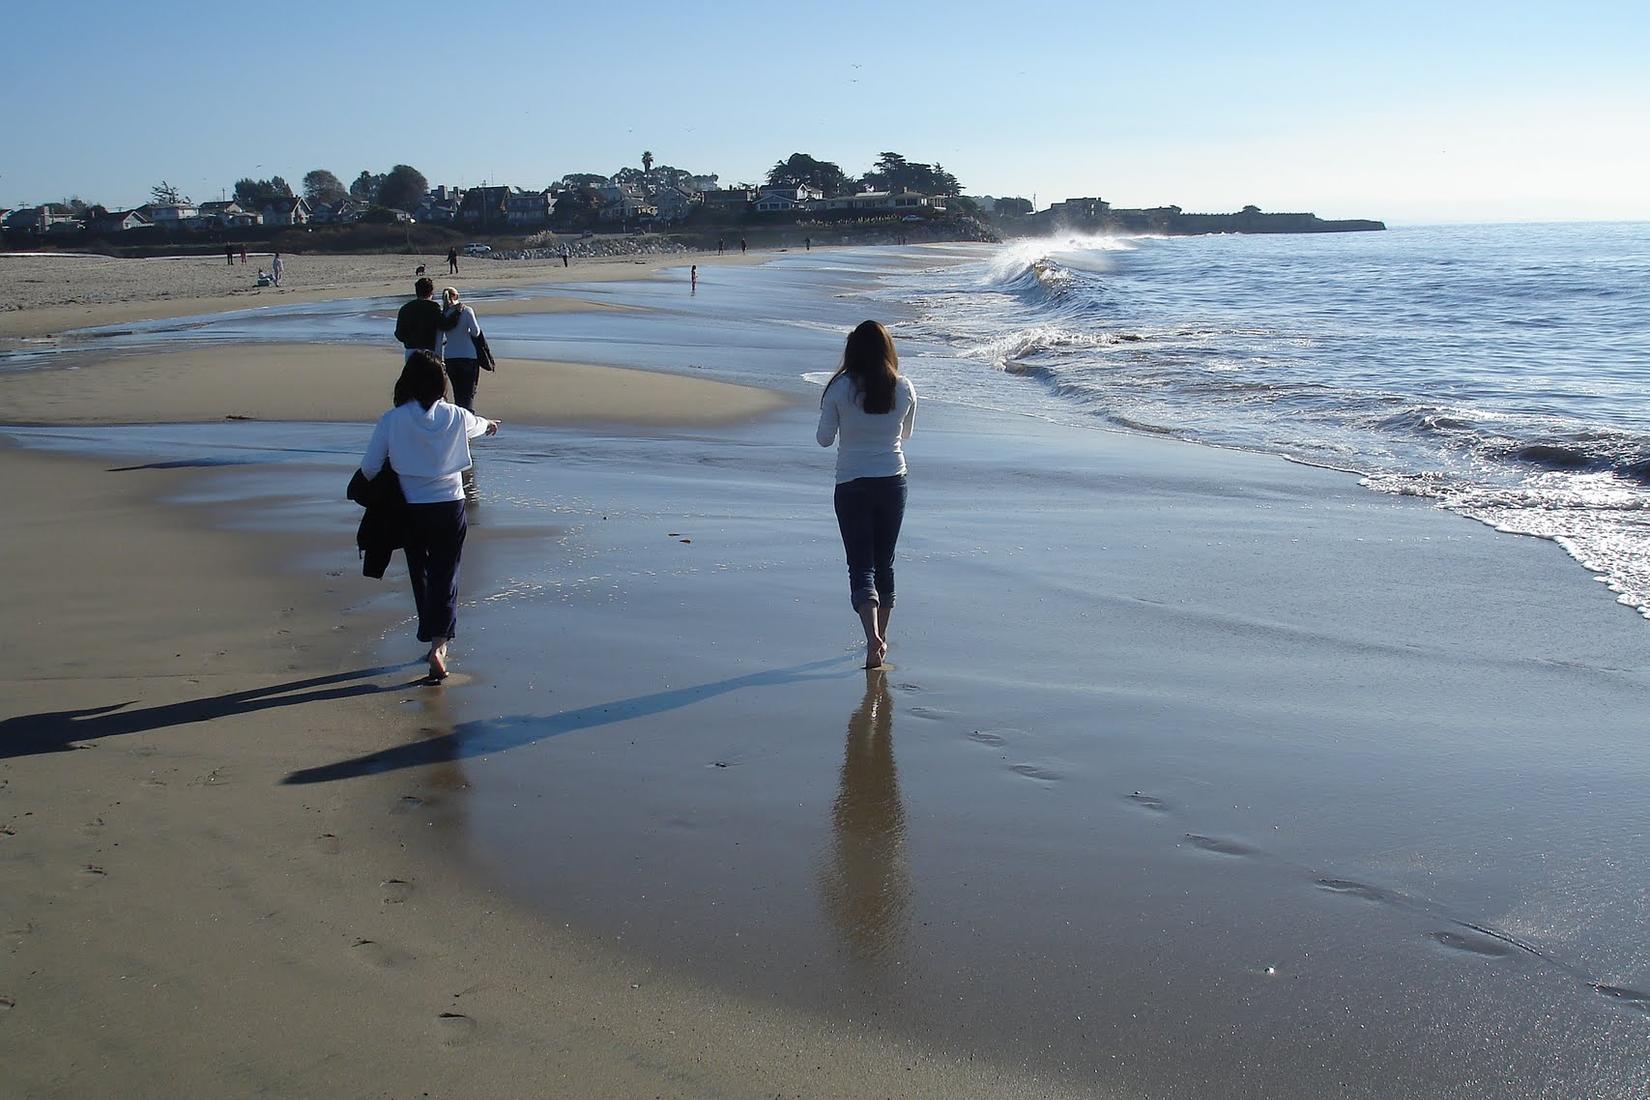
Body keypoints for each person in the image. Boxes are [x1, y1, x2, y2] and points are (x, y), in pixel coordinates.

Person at [358, 351, 499, 681]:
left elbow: (369, 468)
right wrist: (491, 425)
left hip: (409, 508)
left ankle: (431, 633)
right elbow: (479, 425)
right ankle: (439, 644)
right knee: (445, 575)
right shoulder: (455, 416)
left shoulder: (392, 419)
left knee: (420, 572)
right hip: (450, 505)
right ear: (443, 383)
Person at [816, 320, 917, 668]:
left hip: (852, 483)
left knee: (860, 566)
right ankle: (881, 639)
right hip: (892, 481)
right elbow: (906, 435)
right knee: (884, 563)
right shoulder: (904, 388)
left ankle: (871, 638)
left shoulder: (838, 389)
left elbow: (824, 439)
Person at [439, 287, 484, 411]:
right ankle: (468, 422)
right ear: (456, 296)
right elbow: (476, 332)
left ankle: (460, 420)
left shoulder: (443, 314)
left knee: (458, 393)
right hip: (468, 356)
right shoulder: (467, 310)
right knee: (468, 394)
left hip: (450, 357)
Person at [395, 276, 459, 361]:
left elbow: (399, 334)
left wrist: (410, 340)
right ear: (431, 292)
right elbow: (444, 325)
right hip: (429, 351)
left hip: (411, 351)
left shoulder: (405, 308)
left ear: (417, 291)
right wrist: (457, 313)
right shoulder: (433, 307)